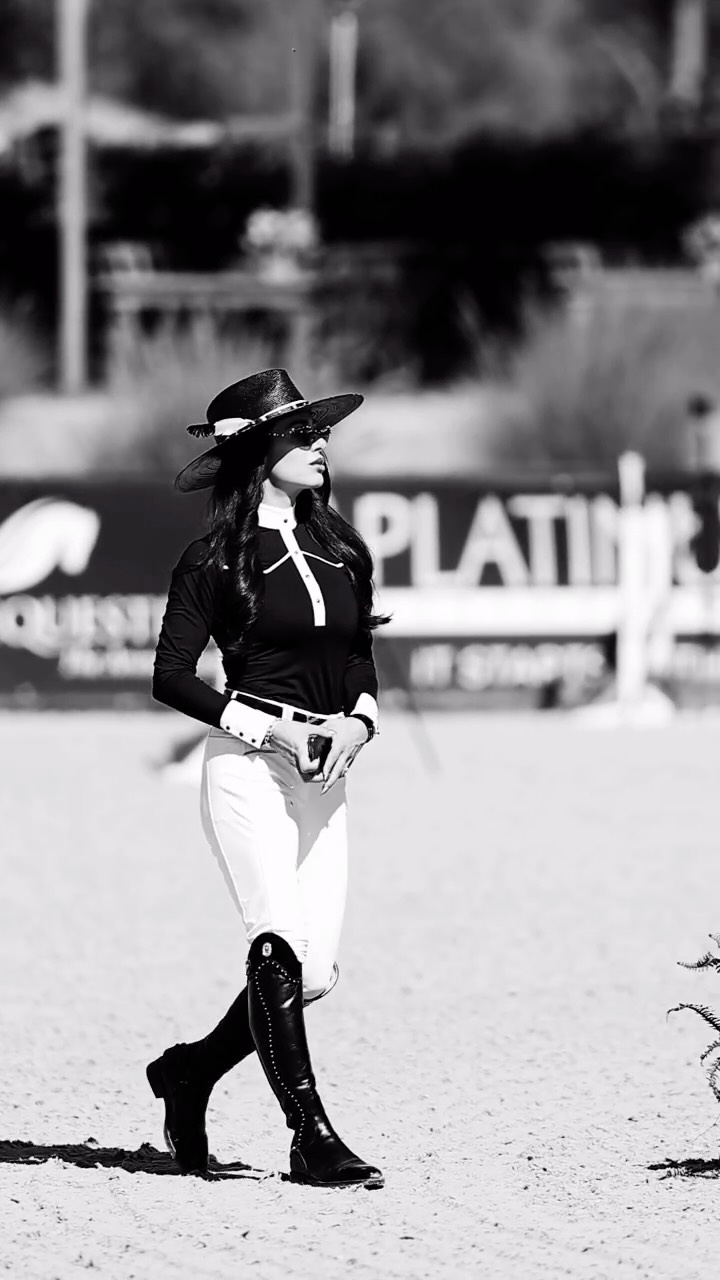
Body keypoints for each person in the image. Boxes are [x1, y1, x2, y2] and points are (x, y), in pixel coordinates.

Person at [147, 368, 390, 1190]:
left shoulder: (344, 547)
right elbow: (171, 676)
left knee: (314, 973)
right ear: (258, 452)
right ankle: (310, 1136)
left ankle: (188, 1071)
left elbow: (358, 657)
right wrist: (270, 726)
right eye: (301, 432)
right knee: (276, 940)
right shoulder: (212, 558)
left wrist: (359, 722)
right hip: (248, 766)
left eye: (321, 432)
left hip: (329, 775)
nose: (321, 443)